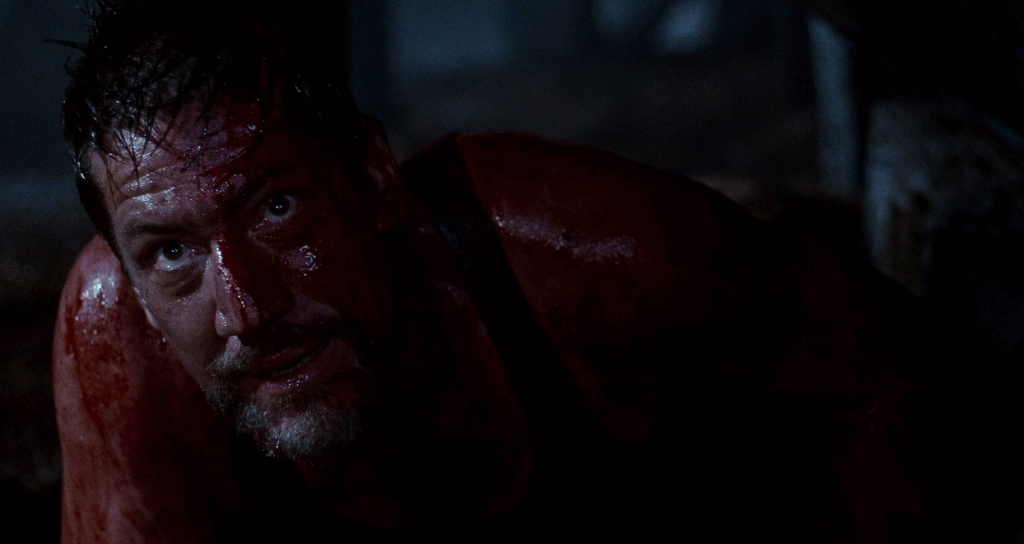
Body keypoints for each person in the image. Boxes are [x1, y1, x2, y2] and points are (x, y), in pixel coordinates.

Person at [52, 1, 971, 541]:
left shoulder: (580, 253)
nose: (246, 307)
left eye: (277, 209)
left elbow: (876, 380)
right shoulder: (118, 350)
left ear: (373, 178)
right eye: (172, 252)